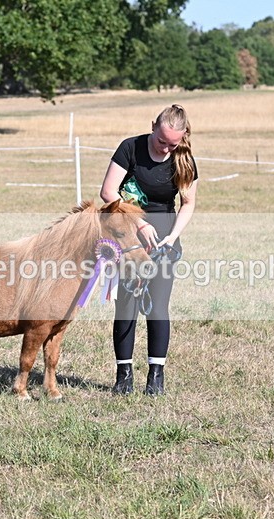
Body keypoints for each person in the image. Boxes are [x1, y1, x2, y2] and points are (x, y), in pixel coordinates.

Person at [99, 104, 199, 396]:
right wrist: (139, 223)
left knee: (157, 308)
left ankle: (156, 377)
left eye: (173, 143)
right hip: (130, 236)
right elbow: (108, 192)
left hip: (164, 241)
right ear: (153, 126)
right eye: (161, 141)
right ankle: (124, 376)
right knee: (127, 306)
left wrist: (173, 236)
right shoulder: (130, 148)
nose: (166, 148)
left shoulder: (184, 159)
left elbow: (188, 203)